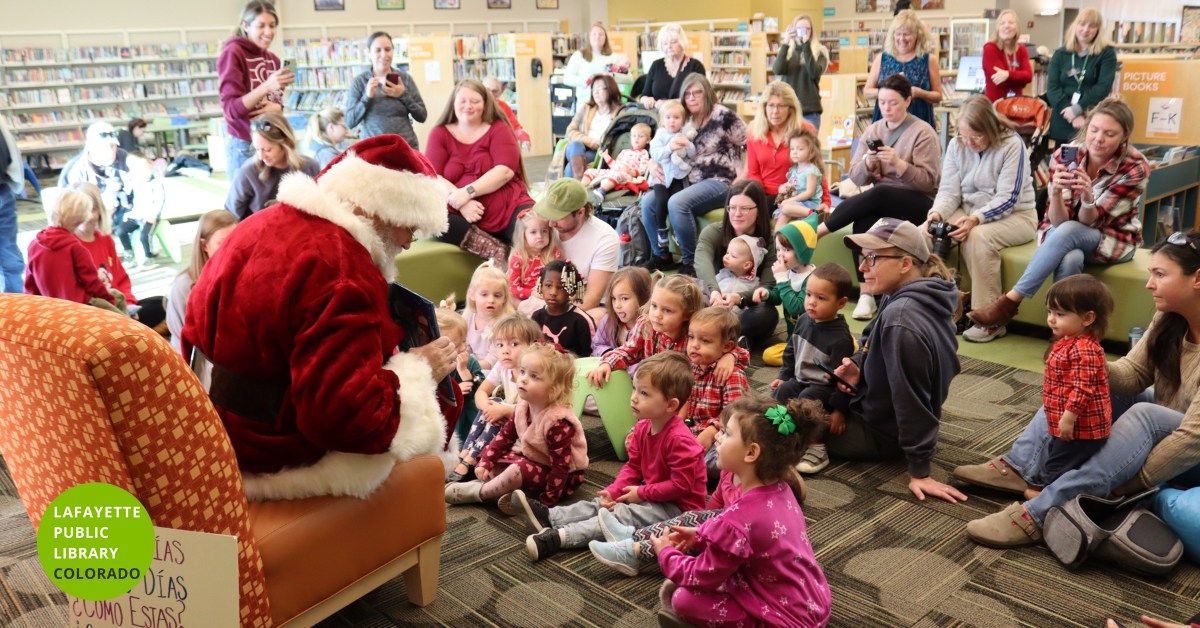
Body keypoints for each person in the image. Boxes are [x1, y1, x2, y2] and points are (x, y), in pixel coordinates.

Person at [182, 134, 461, 500]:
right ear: (378, 208)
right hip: (271, 454)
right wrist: (417, 369)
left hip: (211, 424)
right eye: (408, 226)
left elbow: (193, 333)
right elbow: (344, 419)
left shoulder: (260, 223)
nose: (409, 242)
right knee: (437, 398)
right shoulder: (342, 269)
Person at [958, 230, 1200, 547]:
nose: (1149, 284)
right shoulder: (1169, 316)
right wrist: (1086, 360)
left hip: (1190, 454)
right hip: (1175, 424)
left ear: (1197, 279)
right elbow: (1134, 374)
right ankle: (1021, 468)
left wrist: (1126, 485)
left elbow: (1193, 437)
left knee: (1146, 414)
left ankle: (1040, 512)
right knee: (1096, 385)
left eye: (1159, 274)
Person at [968, 99, 1148, 331]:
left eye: (1110, 134)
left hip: (1112, 238)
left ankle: (1010, 301)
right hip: (1063, 234)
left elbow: (1090, 222)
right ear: (1086, 128)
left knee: (1071, 232)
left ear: (1124, 137)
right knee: (1071, 257)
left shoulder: (1135, 166)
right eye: (1093, 130)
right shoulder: (1066, 155)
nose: (1098, 139)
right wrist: (1054, 191)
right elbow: (1059, 222)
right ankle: (1065, 336)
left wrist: (1087, 196)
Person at [656, 395, 831, 627]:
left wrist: (666, 554)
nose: (717, 437)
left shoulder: (738, 517)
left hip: (784, 618)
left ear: (751, 453)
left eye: (727, 433)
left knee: (683, 599)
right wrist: (699, 534)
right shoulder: (783, 491)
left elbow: (702, 574)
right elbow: (754, 537)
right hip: (813, 601)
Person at [516, 351, 708, 562]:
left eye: (644, 393)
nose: (634, 397)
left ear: (670, 405)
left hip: (679, 509)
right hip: (652, 494)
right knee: (604, 503)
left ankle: (560, 538)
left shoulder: (681, 441)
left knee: (621, 515)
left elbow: (681, 486)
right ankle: (551, 517)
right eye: (635, 388)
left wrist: (642, 493)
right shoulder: (643, 427)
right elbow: (634, 467)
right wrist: (613, 492)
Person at [831, 218, 966, 504]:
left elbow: (911, 397)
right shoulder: (913, 294)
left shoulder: (901, 319)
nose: (862, 267)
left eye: (872, 258)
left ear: (905, 264)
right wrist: (859, 364)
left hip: (881, 433)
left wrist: (919, 469)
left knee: (773, 424)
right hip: (880, 412)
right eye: (862, 257)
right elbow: (869, 338)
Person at [817, 74, 941, 320]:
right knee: (865, 221)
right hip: (879, 199)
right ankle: (866, 294)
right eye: (882, 102)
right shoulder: (873, 129)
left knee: (880, 192)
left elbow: (929, 182)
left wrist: (898, 164)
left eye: (893, 102)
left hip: (917, 202)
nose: (886, 108)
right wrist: (867, 163)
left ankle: (818, 230)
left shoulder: (923, 132)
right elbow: (856, 177)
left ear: (908, 101)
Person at [923, 95, 1036, 343]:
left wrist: (976, 218)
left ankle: (990, 319)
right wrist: (937, 213)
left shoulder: (1012, 145)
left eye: (976, 137)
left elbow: (1009, 198)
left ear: (991, 129)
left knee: (978, 238)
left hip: (1016, 216)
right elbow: (950, 191)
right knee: (924, 231)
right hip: (969, 210)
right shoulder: (957, 145)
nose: (969, 143)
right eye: (964, 136)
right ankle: (925, 307)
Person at [445, 343, 588, 507]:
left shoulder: (558, 422)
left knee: (516, 470)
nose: (523, 379)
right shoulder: (522, 406)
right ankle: (512, 497)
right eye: (522, 372)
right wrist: (486, 461)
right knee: (490, 454)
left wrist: (545, 503)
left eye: (534, 376)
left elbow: (560, 468)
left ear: (554, 389)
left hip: (562, 479)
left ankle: (478, 493)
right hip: (533, 460)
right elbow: (505, 437)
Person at [641, 74, 747, 277]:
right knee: (648, 203)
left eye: (697, 92)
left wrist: (744, 174)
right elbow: (659, 144)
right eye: (687, 93)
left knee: (677, 203)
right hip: (685, 179)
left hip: (719, 179)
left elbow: (749, 141)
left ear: (706, 93)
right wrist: (652, 162)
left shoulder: (722, 115)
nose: (692, 97)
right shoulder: (683, 118)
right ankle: (661, 255)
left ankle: (691, 261)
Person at [426, 79, 533, 264]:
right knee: (437, 221)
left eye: (475, 101)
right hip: (458, 210)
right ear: (453, 103)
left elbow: (505, 171)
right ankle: (500, 254)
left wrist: (467, 192)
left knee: (532, 227)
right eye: (463, 101)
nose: (468, 106)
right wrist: (460, 202)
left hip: (508, 206)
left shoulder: (499, 128)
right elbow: (433, 176)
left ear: (485, 104)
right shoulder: (439, 133)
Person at [771, 263, 855, 474]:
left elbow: (844, 381)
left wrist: (839, 410)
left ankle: (816, 445)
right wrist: (784, 375)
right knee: (782, 391)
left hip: (823, 386)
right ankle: (781, 433)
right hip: (800, 378)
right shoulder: (803, 320)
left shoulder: (840, 338)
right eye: (808, 295)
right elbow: (791, 350)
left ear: (841, 303)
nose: (811, 302)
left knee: (807, 399)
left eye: (821, 298)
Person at [1038, 275, 1114, 486]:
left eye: (1060, 314)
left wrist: (1068, 418)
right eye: (1050, 312)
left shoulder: (1084, 349)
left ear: (1088, 319)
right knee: (1056, 458)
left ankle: (1049, 500)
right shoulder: (1069, 341)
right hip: (1069, 425)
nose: (1051, 319)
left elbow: (1083, 389)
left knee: (1058, 468)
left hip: (1082, 428)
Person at [448, 313, 541, 483]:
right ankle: (465, 454)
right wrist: (488, 408)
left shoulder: (533, 372)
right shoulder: (502, 367)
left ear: (532, 346)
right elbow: (480, 392)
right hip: (509, 417)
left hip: (528, 423)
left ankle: (470, 458)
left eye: (514, 344)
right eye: (499, 344)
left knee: (498, 407)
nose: (505, 350)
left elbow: (534, 408)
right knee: (493, 402)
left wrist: (503, 410)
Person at [694, 180, 780, 350]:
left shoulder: (769, 241)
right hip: (713, 299)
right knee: (684, 296)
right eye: (732, 207)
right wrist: (715, 292)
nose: (737, 214)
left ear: (759, 211)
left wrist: (739, 298)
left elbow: (768, 285)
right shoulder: (713, 232)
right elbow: (701, 261)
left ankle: (719, 339)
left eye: (745, 208)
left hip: (744, 307)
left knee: (767, 314)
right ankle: (726, 340)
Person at [218, 0, 292, 175]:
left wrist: (278, 108)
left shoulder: (272, 59)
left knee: (272, 201)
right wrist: (267, 86)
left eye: (272, 26)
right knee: (245, 201)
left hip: (272, 142)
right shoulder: (233, 52)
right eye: (261, 26)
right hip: (245, 145)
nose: (268, 32)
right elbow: (231, 110)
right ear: (245, 25)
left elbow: (275, 102)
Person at [59, 122, 147, 261]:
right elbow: (71, 211)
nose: (112, 151)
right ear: (92, 148)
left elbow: (144, 181)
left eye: (113, 146)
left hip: (125, 208)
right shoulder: (77, 170)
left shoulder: (122, 157)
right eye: (106, 147)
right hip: (89, 216)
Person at [533, 178, 619, 316]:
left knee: (597, 316)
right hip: (541, 296)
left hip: (580, 305)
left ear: (580, 213)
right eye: (550, 215)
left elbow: (590, 299)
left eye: (558, 217)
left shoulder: (605, 239)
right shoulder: (544, 228)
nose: (550, 224)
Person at [24, 189, 120, 312]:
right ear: (82, 218)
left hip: (50, 309)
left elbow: (30, 283)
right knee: (119, 300)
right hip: (79, 308)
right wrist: (109, 300)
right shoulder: (76, 248)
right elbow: (92, 283)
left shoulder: (35, 243)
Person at [684, 307, 750, 483]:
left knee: (711, 465)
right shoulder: (691, 367)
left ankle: (764, 471)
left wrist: (712, 430)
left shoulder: (732, 375)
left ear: (726, 347)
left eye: (705, 341)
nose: (694, 345)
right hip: (693, 431)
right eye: (691, 337)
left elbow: (735, 415)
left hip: (722, 435)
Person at [743, 81, 830, 213]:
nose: (775, 111)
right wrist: (758, 198)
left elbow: (817, 170)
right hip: (766, 194)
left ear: (791, 108)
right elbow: (753, 174)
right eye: (771, 105)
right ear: (764, 107)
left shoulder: (805, 130)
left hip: (799, 194)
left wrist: (826, 202)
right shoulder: (753, 132)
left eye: (781, 106)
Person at [225, 113, 320, 220]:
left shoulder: (311, 166)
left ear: (286, 144)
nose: (261, 157)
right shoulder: (247, 172)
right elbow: (230, 216)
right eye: (257, 149)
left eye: (267, 150)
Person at [167, 210, 237, 353]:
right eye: (222, 244)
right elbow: (181, 337)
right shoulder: (184, 285)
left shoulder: (240, 276)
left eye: (235, 242)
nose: (231, 250)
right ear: (204, 245)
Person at [344, 31, 427, 149]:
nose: (384, 55)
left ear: (393, 51)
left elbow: (422, 116)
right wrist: (367, 97)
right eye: (378, 50)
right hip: (374, 150)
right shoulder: (360, 82)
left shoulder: (405, 79)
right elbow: (350, 122)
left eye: (388, 49)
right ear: (369, 53)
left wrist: (403, 95)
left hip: (405, 149)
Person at [1045, 8, 1117, 145]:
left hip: (1091, 117)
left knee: (1088, 162)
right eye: (1082, 24)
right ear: (1075, 26)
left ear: (1098, 30)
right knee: (1063, 163)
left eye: (1092, 26)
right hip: (1063, 116)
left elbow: (1102, 87)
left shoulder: (1106, 53)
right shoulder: (1061, 53)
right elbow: (1052, 89)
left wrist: (1077, 109)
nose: (1085, 29)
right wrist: (1071, 115)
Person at [866, 10, 941, 129]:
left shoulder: (929, 60)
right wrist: (890, 93)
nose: (902, 38)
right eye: (898, 33)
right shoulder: (881, 58)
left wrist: (919, 92)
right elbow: (867, 91)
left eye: (906, 34)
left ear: (918, 35)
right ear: (892, 35)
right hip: (886, 122)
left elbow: (938, 96)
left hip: (919, 121)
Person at [644, 99, 695, 268]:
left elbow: (692, 154)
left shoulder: (683, 134)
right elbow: (656, 154)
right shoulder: (660, 135)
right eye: (668, 117)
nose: (672, 121)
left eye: (676, 117)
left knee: (675, 203)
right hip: (661, 177)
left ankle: (677, 237)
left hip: (678, 177)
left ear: (683, 120)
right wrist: (670, 148)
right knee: (661, 200)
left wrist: (687, 145)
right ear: (662, 120)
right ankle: (661, 230)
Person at [754, 218, 819, 340]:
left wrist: (782, 279)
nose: (780, 254)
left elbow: (796, 309)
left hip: (811, 341)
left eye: (787, 250)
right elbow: (779, 297)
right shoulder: (788, 272)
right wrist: (767, 294)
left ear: (802, 252)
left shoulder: (813, 279)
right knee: (769, 355)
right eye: (778, 249)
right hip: (793, 340)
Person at [772, 14, 829, 131]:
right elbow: (777, 70)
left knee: (808, 148)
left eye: (807, 29)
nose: (803, 32)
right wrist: (786, 42)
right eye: (800, 29)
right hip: (787, 110)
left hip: (810, 111)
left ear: (812, 31)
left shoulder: (820, 51)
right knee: (786, 147)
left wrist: (806, 45)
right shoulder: (788, 50)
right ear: (793, 29)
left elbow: (814, 73)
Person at [530, 260, 594, 358]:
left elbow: (588, 355)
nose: (553, 292)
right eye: (548, 285)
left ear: (571, 290)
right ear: (541, 286)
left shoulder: (580, 320)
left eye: (560, 287)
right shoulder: (537, 317)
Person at [563, 74, 622, 179]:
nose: (596, 92)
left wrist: (599, 145)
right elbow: (570, 130)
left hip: (599, 152)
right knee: (576, 145)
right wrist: (590, 141)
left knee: (569, 167)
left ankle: (575, 188)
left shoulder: (619, 112)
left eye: (600, 88)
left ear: (610, 89)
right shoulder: (587, 108)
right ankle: (580, 187)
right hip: (580, 147)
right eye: (593, 89)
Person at [562, 22, 628, 112]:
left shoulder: (614, 57)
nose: (597, 37)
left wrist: (612, 76)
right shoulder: (579, 55)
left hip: (609, 106)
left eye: (601, 34)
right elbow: (566, 79)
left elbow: (629, 79)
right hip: (585, 104)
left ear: (605, 38)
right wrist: (585, 81)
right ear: (589, 37)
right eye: (594, 34)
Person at [462, 261, 516, 371]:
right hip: (475, 365)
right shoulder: (469, 316)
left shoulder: (503, 323)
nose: (491, 300)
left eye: (497, 295)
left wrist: (467, 366)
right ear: (472, 295)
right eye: (484, 295)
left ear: (504, 298)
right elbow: (464, 347)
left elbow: (492, 361)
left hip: (496, 370)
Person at [638, 24, 706, 109]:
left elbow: (700, 96)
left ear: (682, 42)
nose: (669, 46)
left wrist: (667, 103)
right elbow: (644, 95)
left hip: (688, 117)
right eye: (665, 43)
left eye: (673, 42)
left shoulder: (695, 66)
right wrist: (646, 99)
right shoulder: (656, 65)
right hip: (660, 118)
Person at [581, 122, 652, 202]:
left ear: (648, 140)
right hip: (613, 172)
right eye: (634, 136)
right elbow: (615, 165)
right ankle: (581, 188)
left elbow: (643, 168)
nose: (636, 139)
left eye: (641, 136)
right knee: (590, 171)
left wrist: (633, 172)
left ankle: (601, 190)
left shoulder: (644, 153)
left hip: (627, 176)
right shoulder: (624, 151)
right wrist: (606, 156)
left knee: (617, 174)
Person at [592, 266, 653, 358]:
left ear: (642, 297)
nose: (617, 305)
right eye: (614, 298)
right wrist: (609, 354)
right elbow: (597, 344)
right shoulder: (608, 320)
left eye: (624, 298)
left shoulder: (649, 327)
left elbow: (648, 360)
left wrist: (623, 363)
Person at [507, 209, 564, 307]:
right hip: (528, 300)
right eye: (533, 232)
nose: (540, 236)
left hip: (553, 296)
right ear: (523, 235)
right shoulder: (518, 258)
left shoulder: (554, 253)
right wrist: (532, 293)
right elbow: (513, 288)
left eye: (544, 231)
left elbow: (563, 276)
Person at [775, 128, 823, 229]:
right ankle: (777, 240)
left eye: (800, 149)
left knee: (786, 208)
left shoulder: (811, 171)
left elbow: (809, 193)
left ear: (811, 152)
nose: (795, 152)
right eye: (792, 149)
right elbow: (791, 185)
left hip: (809, 203)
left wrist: (791, 200)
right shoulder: (793, 170)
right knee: (783, 214)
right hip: (797, 202)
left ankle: (813, 213)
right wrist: (783, 187)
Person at [982, 10, 1033, 102]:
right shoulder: (990, 48)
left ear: (1017, 27)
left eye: (1011, 22)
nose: (1007, 26)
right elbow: (999, 81)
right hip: (995, 106)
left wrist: (1007, 74)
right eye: (1002, 23)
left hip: (1017, 105)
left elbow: (1028, 76)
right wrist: (1020, 80)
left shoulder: (1022, 49)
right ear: (997, 28)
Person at [0, 118, 24, 293]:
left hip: (4, 191)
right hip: (4, 189)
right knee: (9, 256)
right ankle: (15, 311)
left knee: (9, 257)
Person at [484, 77, 531, 151]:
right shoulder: (476, 107)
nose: (490, 94)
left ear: (501, 92)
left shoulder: (504, 107)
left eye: (495, 91)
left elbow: (516, 128)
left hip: (499, 146)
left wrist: (524, 137)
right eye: (487, 90)